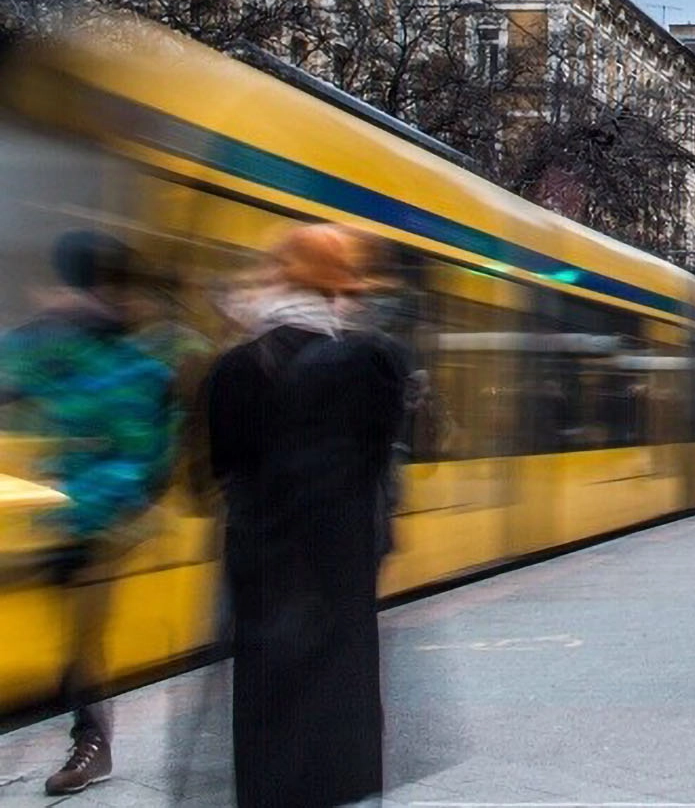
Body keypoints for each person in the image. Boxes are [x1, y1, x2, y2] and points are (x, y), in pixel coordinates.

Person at [204, 223, 411, 808]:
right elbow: (379, 464)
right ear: (341, 288)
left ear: (277, 277)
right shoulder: (373, 363)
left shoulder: (236, 368)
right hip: (341, 575)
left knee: (270, 734)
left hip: (264, 576)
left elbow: (222, 469)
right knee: (339, 738)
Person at [0, 231, 179, 796]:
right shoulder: (47, 347)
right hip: (49, 518)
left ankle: (92, 745)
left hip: (98, 527)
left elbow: (149, 464)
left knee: (83, 642)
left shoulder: (148, 365)